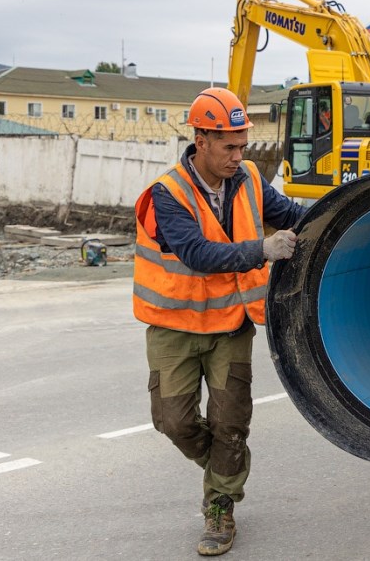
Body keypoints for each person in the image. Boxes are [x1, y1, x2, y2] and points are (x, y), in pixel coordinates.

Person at [133, 86, 309, 556]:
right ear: (201, 140)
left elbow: (292, 214)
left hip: (231, 326)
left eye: (242, 145)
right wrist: (262, 249)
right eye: (228, 146)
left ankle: (220, 509)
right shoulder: (167, 193)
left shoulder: (249, 178)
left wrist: (342, 214)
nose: (238, 155)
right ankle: (224, 468)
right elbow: (197, 253)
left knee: (231, 423)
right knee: (173, 421)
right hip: (175, 327)